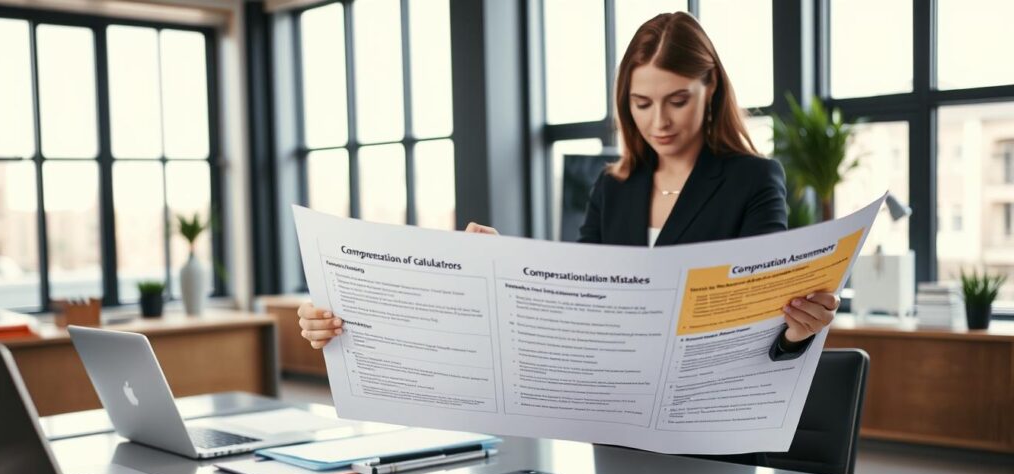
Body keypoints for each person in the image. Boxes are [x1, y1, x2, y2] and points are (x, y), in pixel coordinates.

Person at [298, 11, 838, 359]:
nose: (660, 123)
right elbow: (578, 298)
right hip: (613, 419)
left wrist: (798, 330)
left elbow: (765, 316)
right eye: (641, 103)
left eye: (678, 100)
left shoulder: (752, 179)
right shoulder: (613, 187)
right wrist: (498, 267)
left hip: (711, 422)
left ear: (711, 88)